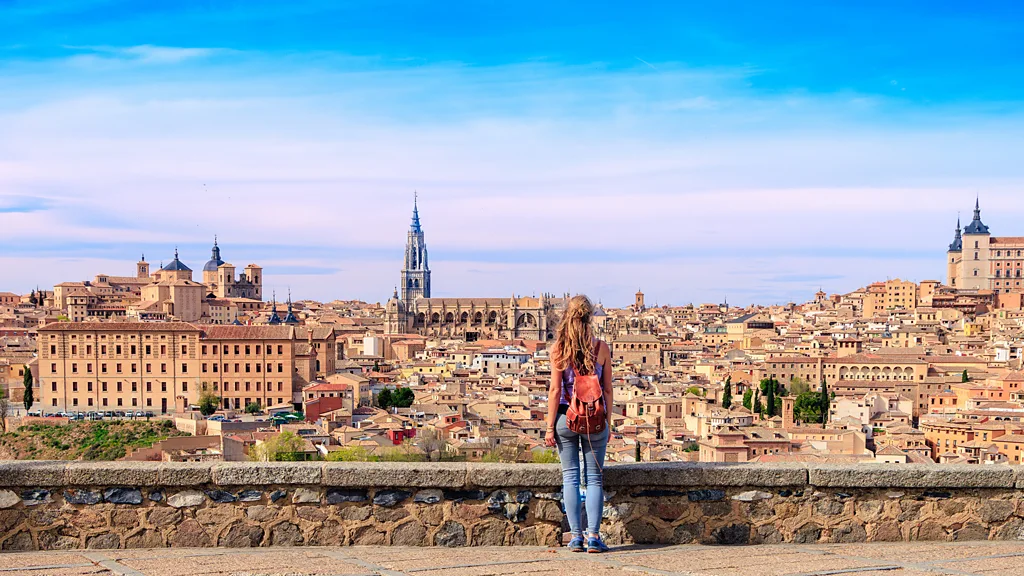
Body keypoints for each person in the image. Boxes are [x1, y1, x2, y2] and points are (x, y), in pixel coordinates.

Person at [545, 295, 613, 553]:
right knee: (594, 479)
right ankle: (593, 538)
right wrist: (608, 424)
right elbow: (607, 390)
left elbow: (554, 390)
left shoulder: (559, 349)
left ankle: (575, 538)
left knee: (570, 478)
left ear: (566, 316)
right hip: (595, 419)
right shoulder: (602, 348)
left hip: (565, 418)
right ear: (590, 317)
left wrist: (550, 427)